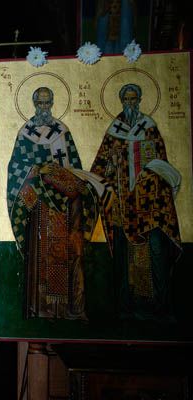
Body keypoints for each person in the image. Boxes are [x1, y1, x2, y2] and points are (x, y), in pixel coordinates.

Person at [7, 87, 104, 321]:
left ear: (52, 103)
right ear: (33, 104)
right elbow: (15, 169)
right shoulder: (25, 133)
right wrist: (39, 169)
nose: (44, 108)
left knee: (70, 252)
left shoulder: (62, 131)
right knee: (42, 257)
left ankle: (67, 309)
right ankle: (42, 309)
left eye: (47, 103)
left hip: (66, 205)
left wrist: (76, 182)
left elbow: (75, 166)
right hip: (40, 207)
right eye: (40, 104)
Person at [90, 83, 181, 322]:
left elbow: (162, 163)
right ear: (121, 102)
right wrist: (112, 161)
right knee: (123, 256)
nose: (130, 104)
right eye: (126, 100)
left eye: (134, 99)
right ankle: (125, 307)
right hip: (122, 205)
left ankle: (159, 308)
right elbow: (99, 167)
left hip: (150, 205)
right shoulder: (114, 129)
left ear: (139, 101)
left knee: (156, 253)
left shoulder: (149, 127)